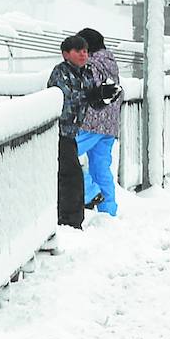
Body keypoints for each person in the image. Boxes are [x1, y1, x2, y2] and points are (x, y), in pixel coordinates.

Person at [47, 35, 97, 228]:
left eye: (85, 51)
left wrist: (102, 96)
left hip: (72, 132)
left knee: (71, 174)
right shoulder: (60, 73)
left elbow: (91, 98)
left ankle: (71, 219)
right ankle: (69, 220)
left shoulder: (86, 72)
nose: (83, 55)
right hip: (59, 131)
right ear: (66, 54)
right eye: (78, 51)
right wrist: (90, 95)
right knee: (72, 175)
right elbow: (66, 98)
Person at [76, 28, 123, 216]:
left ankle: (90, 191)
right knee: (100, 166)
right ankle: (108, 210)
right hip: (109, 126)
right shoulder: (110, 62)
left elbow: (85, 89)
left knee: (64, 155)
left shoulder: (91, 65)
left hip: (90, 123)